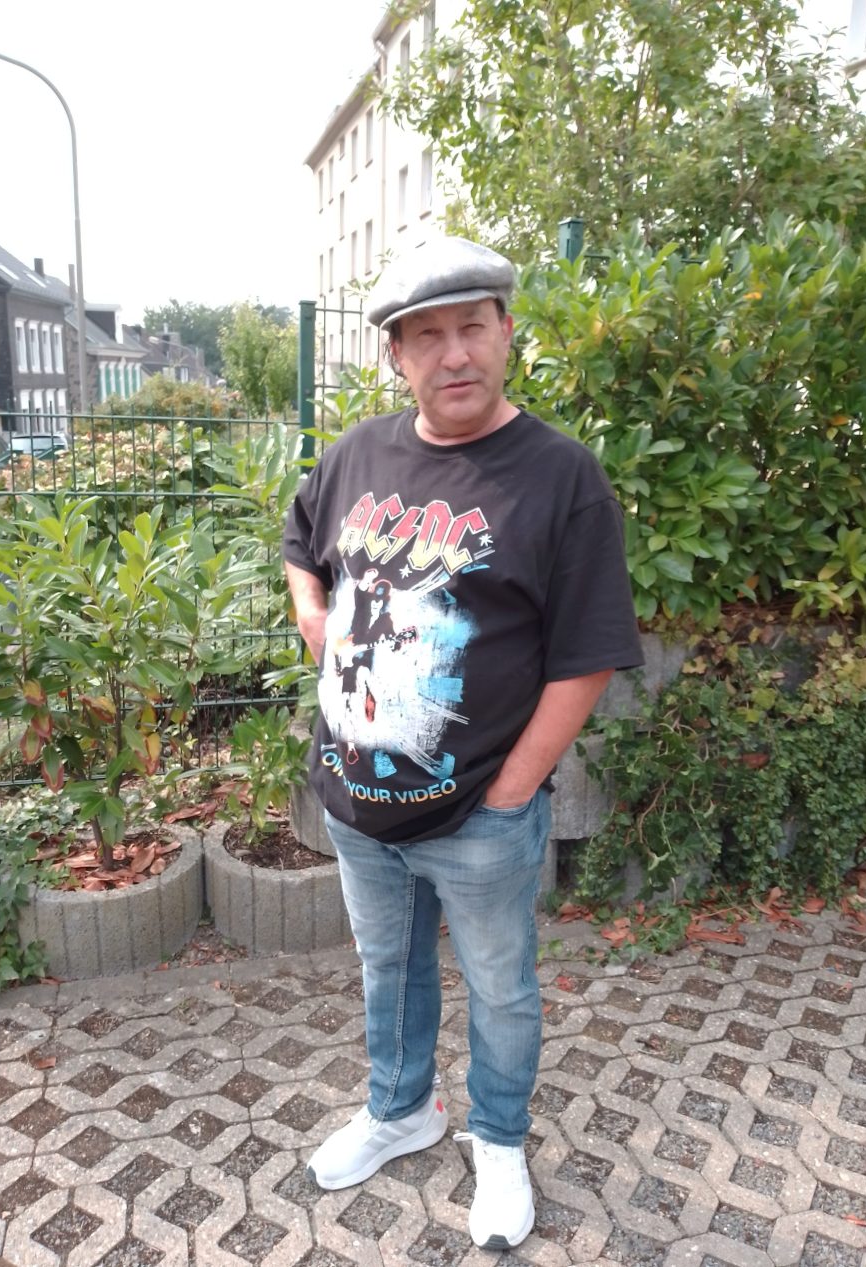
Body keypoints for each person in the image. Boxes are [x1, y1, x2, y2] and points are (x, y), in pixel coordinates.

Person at [283, 234, 643, 1251]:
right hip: (356, 800)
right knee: (387, 968)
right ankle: (402, 1111)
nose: (454, 355)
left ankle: (498, 1140)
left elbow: (585, 657)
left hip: (480, 810)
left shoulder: (561, 478)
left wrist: (512, 790)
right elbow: (301, 541)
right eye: (428, 336)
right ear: (396, 354)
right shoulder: (357, 454)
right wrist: (312, 612)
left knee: (499, 986)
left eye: (472, 328)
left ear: (506, 332)